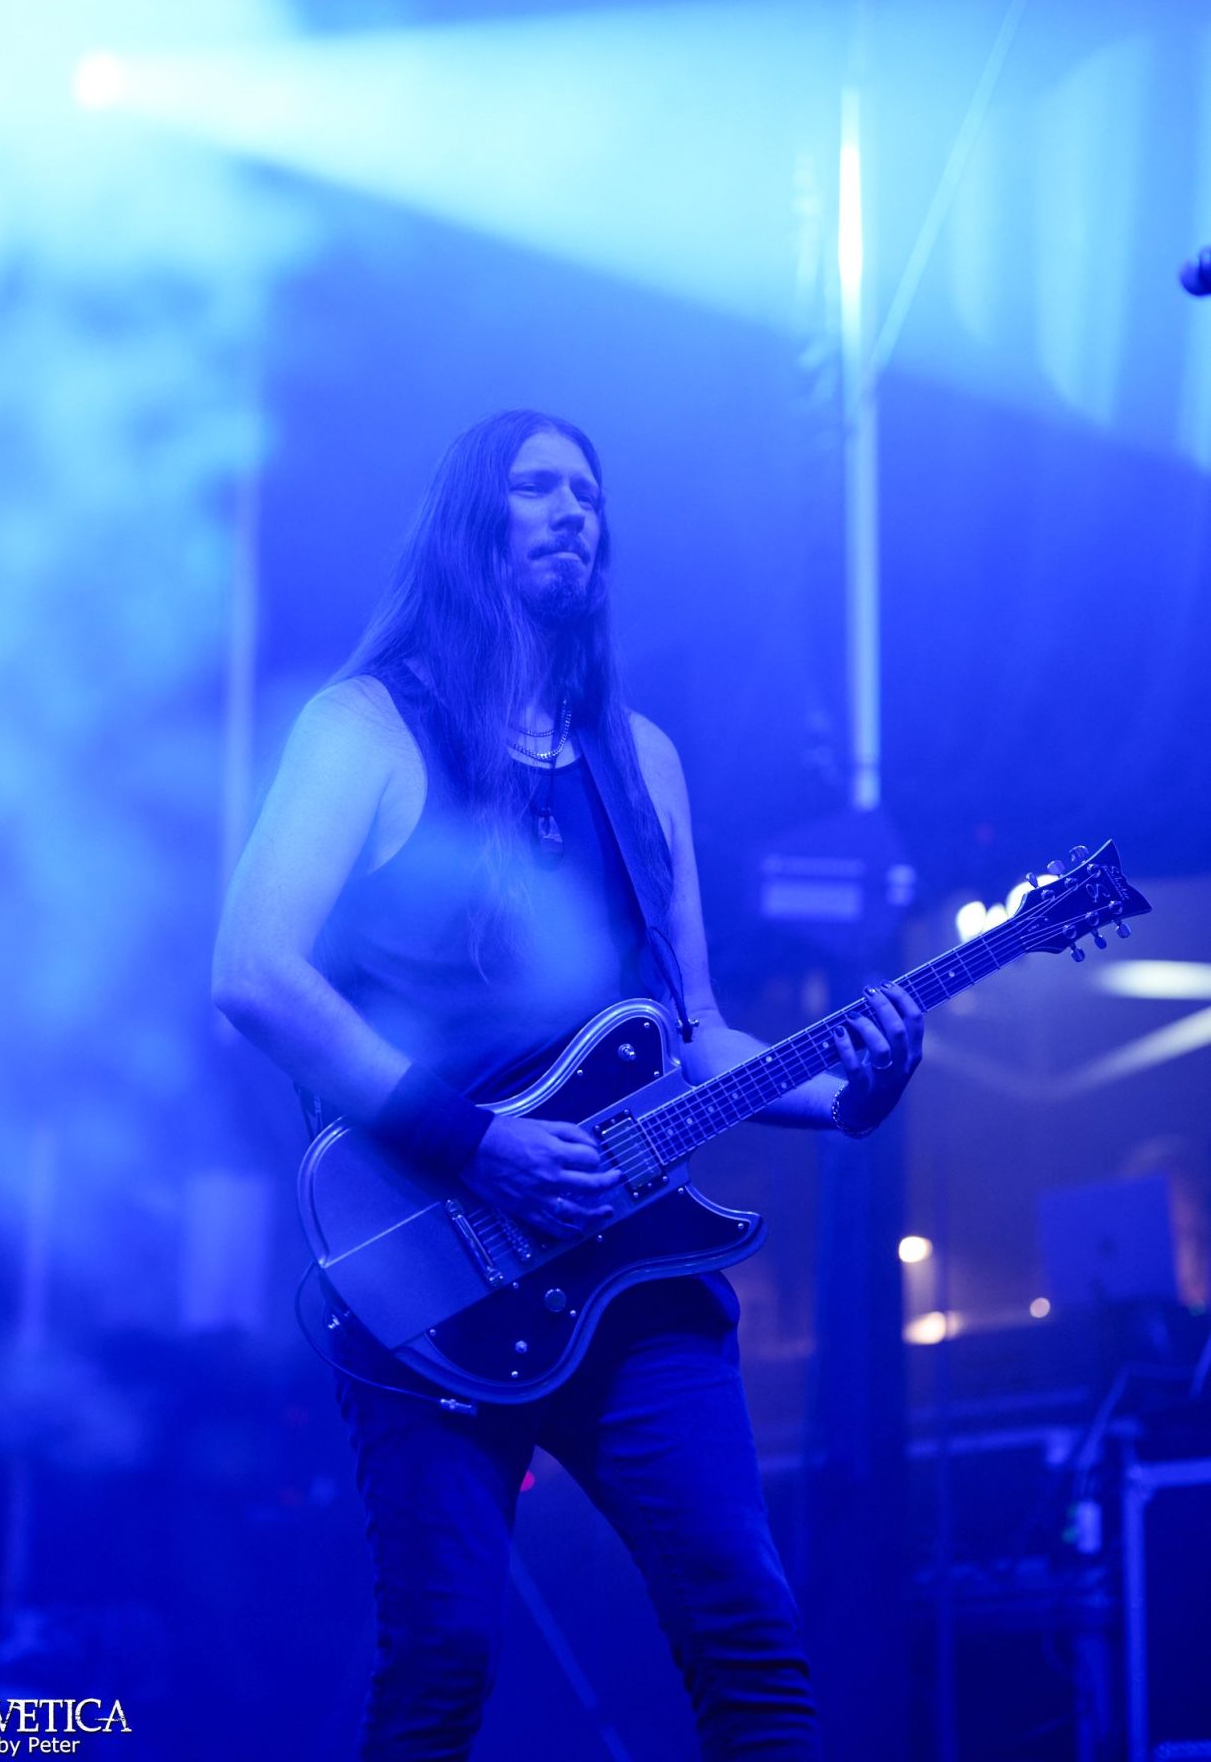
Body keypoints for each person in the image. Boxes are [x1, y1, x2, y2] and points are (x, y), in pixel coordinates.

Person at [212, 408, 924, 1760]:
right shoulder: (366, 728)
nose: (572, 509)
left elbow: (695, 1033)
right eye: (536, 486)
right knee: (441, 1666)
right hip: (427, 1267)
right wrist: (474, 1142)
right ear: (469, 523)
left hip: (632, 1277)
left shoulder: (639, 760)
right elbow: (252, 974)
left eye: (587, 493)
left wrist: (847, 1099)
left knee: (752, 1638)